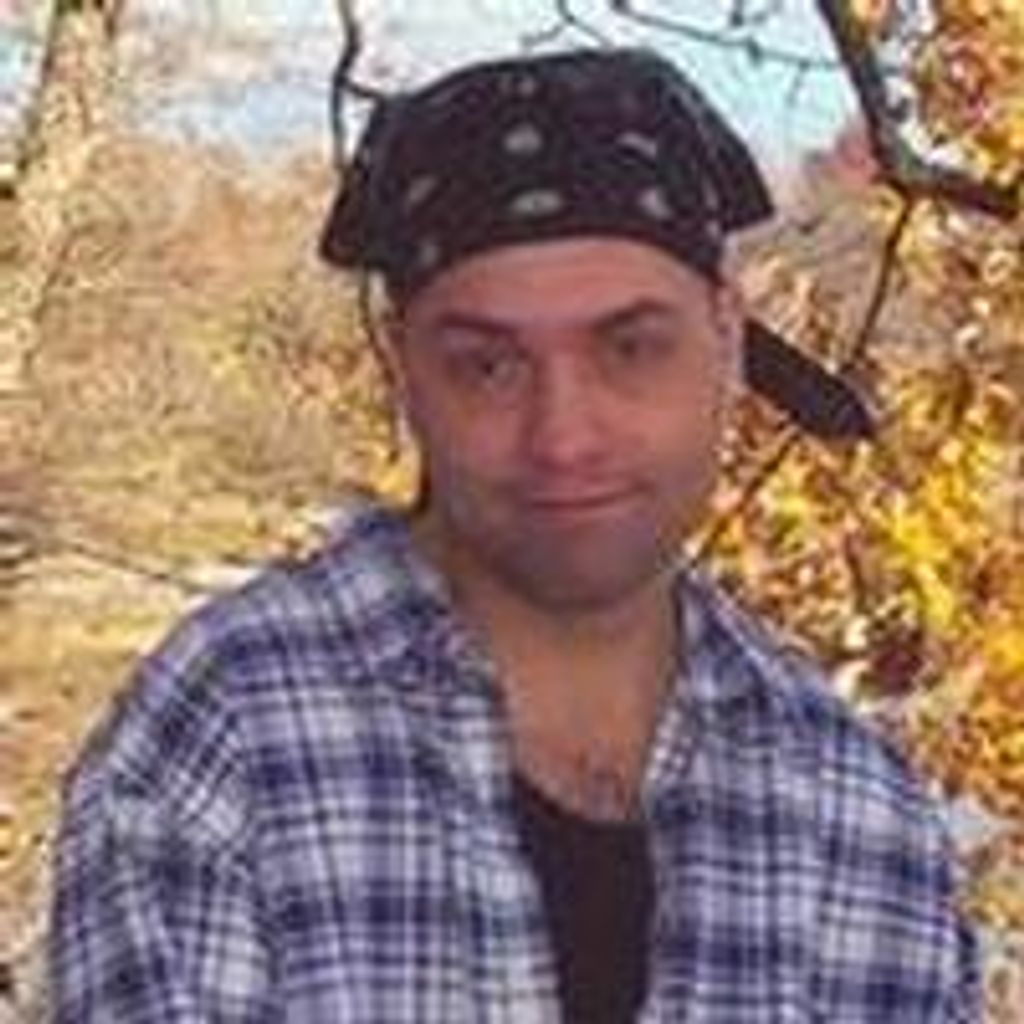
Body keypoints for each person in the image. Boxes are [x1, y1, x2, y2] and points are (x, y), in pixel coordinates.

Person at [50, 47, 978, 1022]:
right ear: (405, 370)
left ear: (727, 338)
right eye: (487, 366)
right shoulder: (226, 737)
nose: (563, 436)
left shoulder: (854, 809)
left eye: (630, 348)